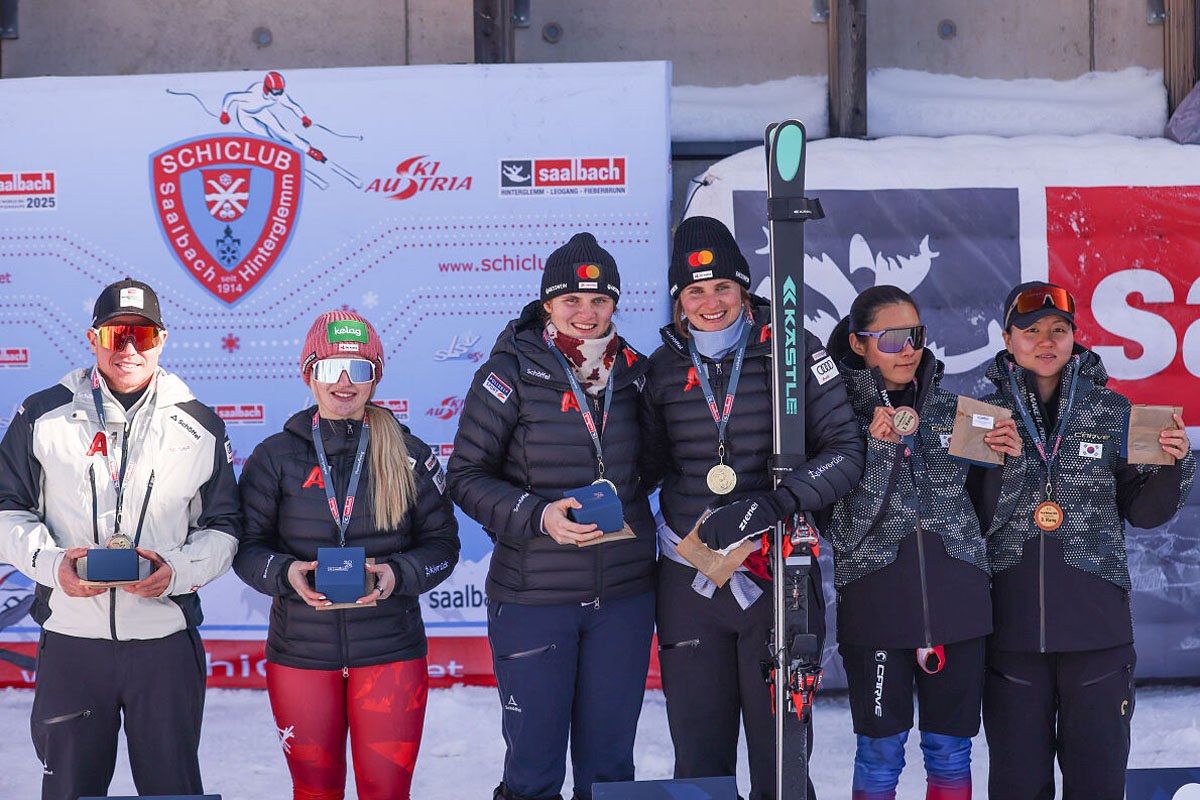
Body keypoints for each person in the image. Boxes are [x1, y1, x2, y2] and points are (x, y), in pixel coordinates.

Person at [639, 216, 864, 800]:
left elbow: (845, 453)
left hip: (776, 576)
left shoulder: (795, 351)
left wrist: (776, 503)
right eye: (695, 291)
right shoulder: (660, 369)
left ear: (744, 288)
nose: (711, 303)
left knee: (782, 760)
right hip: (691, 582)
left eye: (723, 288)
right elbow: (641, 467)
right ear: (679, 300)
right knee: (698, 759)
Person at [0, 277, 240, 800]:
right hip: (73, 644)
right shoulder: (43, 415)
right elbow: (7, 511)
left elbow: (223, 529)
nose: (129, 349)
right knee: (68, 789)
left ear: (163, 340)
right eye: (115, 336)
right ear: (93, 340)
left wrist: (175, 571)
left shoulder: (199, 425)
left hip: (164, 646)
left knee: (172, 790)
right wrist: (51, 562)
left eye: (143, 336)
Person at [447, 232, 656, 800]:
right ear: (548, 306)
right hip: (533, 598)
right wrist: (539, 516)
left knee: (610, 769)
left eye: (599, 301)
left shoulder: (638, 372)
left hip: (625, 594)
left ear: (615, 304)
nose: (586, 315)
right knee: (534, 770)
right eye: (571, 302)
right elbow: (464, 478)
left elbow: (653, 468)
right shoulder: (509, 371)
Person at [972, 281, 1194, 799]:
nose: (1045, 341)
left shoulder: (1116, 412)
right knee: (1016, 787)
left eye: (1059, 330)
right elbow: (966, 522)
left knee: (1097, 786)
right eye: (1031, 331)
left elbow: (1145, 512)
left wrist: (1173, 464)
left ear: (1075, 337)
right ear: (1007, 339)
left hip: (1098, 641)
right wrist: (994, 471)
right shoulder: (982, 418)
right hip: (1011, 639)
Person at [234, 310, 459, 800]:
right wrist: (287, 572)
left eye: (358, 369)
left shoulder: (408, 454)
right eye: (330, 366)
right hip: (301, 655)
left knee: (386, 793)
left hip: (389, 653)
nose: (343, 381)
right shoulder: (275, 457)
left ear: (374, 378)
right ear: (307, 373)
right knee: (314, 792)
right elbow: (246, 549)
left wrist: (396, 574)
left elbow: (443, 547)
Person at [823, 286, 1020, 800]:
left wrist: (1008, 463)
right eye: (889, 338)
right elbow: (843, 531)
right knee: (880, 752)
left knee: (952, 751)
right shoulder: (833, 418)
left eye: (913, 335)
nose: (906, 349)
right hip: (876, 607)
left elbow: (987, 517)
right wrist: (882, 452)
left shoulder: (959, 411)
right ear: (858, 343)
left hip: (959, 609)